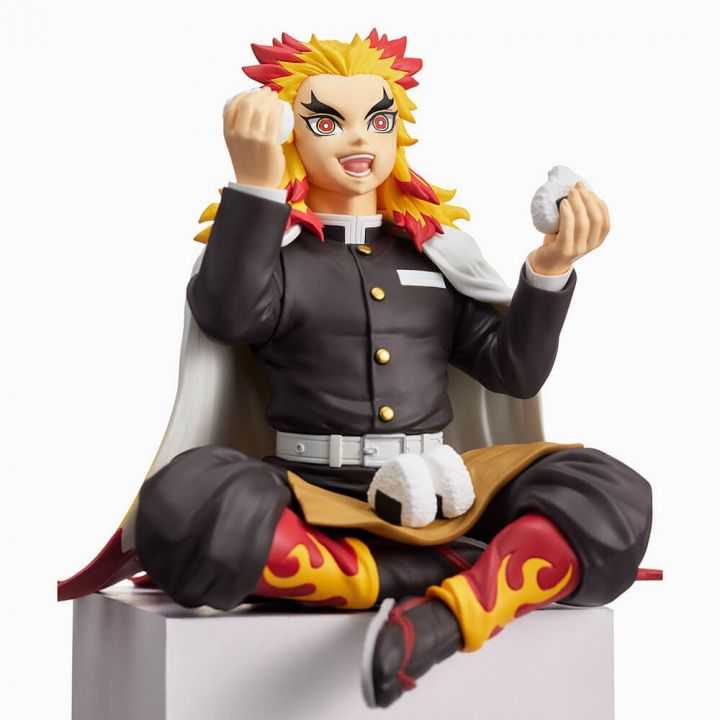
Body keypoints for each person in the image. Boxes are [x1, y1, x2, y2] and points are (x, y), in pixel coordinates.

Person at [58, 30, 655, 709]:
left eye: (378, 120)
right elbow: (228, 316)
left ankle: (447, 618)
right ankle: (445, 578)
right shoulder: (274, 256)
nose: (358, 139)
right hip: (311, 495)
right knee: (185, 508)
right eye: (325, 123)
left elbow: (513, 372)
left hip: (449, 492)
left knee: (608, 494)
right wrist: (254, 186)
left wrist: (548, 270)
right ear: (287, 135)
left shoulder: (438, 256)